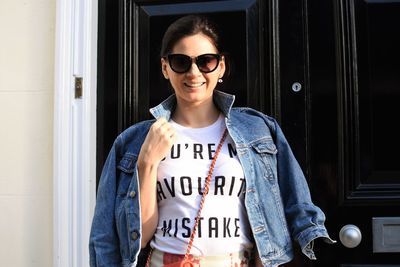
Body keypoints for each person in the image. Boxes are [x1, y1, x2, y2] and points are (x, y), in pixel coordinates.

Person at [89, 15, 334, 267]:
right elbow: (135, 238)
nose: (193, 73)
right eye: (180, 62)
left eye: (206, 61)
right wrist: (147, 163)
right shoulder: (134, 141)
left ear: (221, 67)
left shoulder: (258, 130)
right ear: (165, 68)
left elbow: (294, 205)